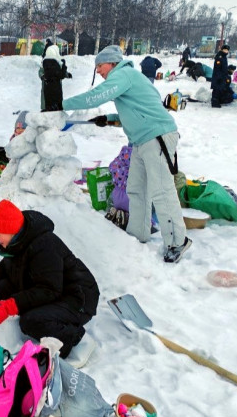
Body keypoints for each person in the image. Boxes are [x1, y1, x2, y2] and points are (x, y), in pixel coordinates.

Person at [62, 45, 191, 263]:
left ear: (112, 63)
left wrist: (61, 104)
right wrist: (110, 119)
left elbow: (97, 96)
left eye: (100, 66)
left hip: (156, 136)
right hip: (141, 141)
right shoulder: (128, 79)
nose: (99, 71)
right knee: (136, 190)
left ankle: (177, 241)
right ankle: (137, 234)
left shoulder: (124, 74)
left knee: (161, 190)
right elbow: (137, 110)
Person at [0, 200, 99, 358]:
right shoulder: (16, 245)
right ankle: (48, 315)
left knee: (31, 321)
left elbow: (49, 289)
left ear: (10, 230)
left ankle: (75, 337)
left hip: (78, 298)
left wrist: (11, 306)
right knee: (2, 286)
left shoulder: (44, 246)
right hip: (54, 291)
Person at [38, 44, 72, 111]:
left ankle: (45, 109)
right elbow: (62, 73)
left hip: (46, 85)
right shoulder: (58, 62)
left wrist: (42, 77)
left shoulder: (44, 62)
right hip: (56, 86)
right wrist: (68, 75)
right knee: (56, 100)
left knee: (45, 99)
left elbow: (40, 72)